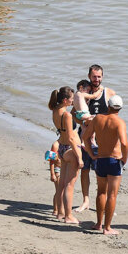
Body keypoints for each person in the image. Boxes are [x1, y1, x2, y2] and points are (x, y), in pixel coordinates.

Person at [81, 94, 128, 235]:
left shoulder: (98, 119)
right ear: (120, 108)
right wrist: (124, 159)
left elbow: (85, 137)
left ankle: (98, 224)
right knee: (112, 195)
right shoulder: (119, 122)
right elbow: (124, 143)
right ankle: (107, 228)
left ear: (108, 105)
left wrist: (91, 153)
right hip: (114, 160)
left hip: (100, 159)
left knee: (101, 191)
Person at [76, 64, 116, 213]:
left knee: (103, 174)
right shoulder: (83, 92)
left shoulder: (109, 93)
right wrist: (85, 122)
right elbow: (74, 113)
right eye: (94, 76)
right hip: (85, 137)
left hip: (102, 140)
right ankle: (85, 201)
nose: (96, 79)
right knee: (84, 169)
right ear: (89, 76)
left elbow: (115, 116)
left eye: (99, 76)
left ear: (102, 77)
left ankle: (104, 203)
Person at [49, 86, 82, 224]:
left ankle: (60, 213)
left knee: (62, 184)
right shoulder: (67, 115)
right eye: (71, 99)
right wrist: (79, 156)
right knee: (69, 185)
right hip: (69, 149)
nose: (73, 101)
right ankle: (68, 216)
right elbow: (70, 138)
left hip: (61, 148)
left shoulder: (55, 111)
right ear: (65, 100)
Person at [48, 139, 61, 217]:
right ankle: (55, 209)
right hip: (58, 169)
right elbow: (51, 161)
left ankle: (61, 209)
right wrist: (52, 174)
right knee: (59, 190)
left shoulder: (70, 142)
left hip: (67, 169)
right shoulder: (55, 145)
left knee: (65, 191)